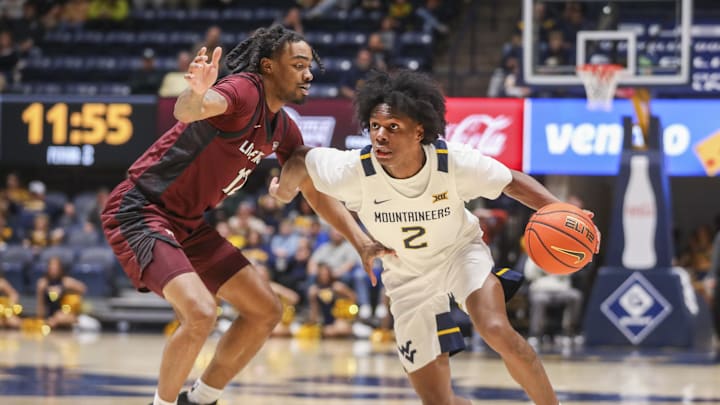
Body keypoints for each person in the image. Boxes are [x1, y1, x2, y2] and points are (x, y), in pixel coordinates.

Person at [270, 69, 600, 405]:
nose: (380, 136)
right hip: (405, 274)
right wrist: (286, 193)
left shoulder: (452, 163)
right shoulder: (353, 171)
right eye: (374, 126)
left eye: (393, 127)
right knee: (437, 402)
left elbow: (512, 181)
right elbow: (300, 161)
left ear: (419, 131)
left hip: (460, 254)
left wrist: (563, 212)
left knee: (496, 329)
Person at [101, 25, 390, 405]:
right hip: (141, 209)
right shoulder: (243, 89)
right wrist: (197, 91)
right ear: (268, 66)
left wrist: (362, 242)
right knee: (201, 313)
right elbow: (190, 110)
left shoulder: (283, 127)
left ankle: (202, 399)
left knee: (265, 310)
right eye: (299, 65)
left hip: (188, 224)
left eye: (310, 66)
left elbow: (314, 193)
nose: (308, 74)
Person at [36, 256, 87, 329]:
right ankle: (52, 322)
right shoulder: (43, 283)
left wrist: (63, 289)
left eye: (56, 267)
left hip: (66, 314)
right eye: (51, 267)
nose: (54, 270)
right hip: (50, 316)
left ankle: (55, 321)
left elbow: (83, 288)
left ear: (60, 269)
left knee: (59, 317)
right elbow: (40, 306)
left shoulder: (65, 281)